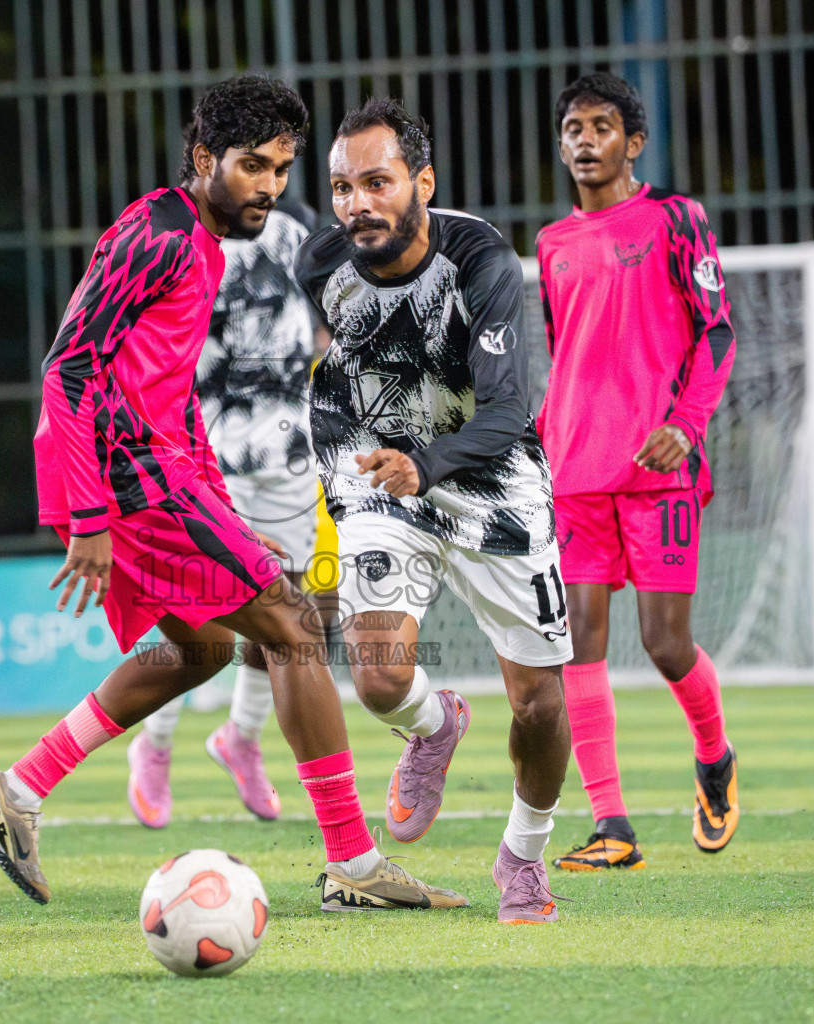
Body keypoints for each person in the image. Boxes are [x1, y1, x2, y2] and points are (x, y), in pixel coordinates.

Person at [0, 76, 464, 914]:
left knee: (203, 649)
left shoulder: (197, 240)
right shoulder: (158, 235)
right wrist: (91, 518)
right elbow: (68, 367)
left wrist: (216, 504)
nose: (268, 185)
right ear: (203, 160)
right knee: (295, 626)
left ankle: (17, 790)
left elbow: (163, 384)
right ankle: (354, 864)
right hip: (126, 477)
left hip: (159, 471)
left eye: (282, 167)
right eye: (251, 166)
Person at [296, 98, 574, 924]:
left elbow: (504, 411)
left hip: (490, 480)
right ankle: (436, 723)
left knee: (539, 704)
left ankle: (523, 854)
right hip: (382, 475)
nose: (358, 204)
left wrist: (429, 463)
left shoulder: (480, 257)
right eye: (343, 187)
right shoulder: (321, 267)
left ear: (421, 181)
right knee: (378, 673)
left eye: (377, 183)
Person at [535, 73, 739, 872]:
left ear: (634, 141)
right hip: (574, 471)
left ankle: (714, 758)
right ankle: (612, 827)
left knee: (663, 643)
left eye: (601, 126)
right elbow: (567, 353)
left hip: (658, 469)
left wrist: (684, 429)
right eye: (572, 129)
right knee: (577, 643)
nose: (584, 140)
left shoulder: (676, 219)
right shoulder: (552, 244)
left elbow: (717, 334)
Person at [125, 196, 327, 828]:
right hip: (204, 455)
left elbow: (324, 315)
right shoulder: (185, 237)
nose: (263, 179)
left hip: (290, 455)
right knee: (196, 616)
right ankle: (153, 746)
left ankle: (241, 738)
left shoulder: (299, 225)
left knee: (286, 612)